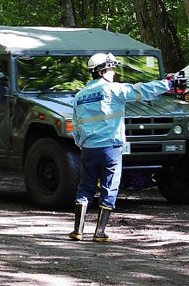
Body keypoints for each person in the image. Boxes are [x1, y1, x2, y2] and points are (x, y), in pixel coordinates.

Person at [69, 52, 172, 242]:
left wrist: (82, 144)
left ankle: (78, 231)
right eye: (111, 68)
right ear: (101, 72)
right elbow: (141, 91)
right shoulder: (113, 90)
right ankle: (99, 232)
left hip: (88, 149)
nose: (114, 72)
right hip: (111, 148)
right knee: (110, 187)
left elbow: (75, 126)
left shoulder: (79, 96)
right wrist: (169, 84)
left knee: (85, 188)